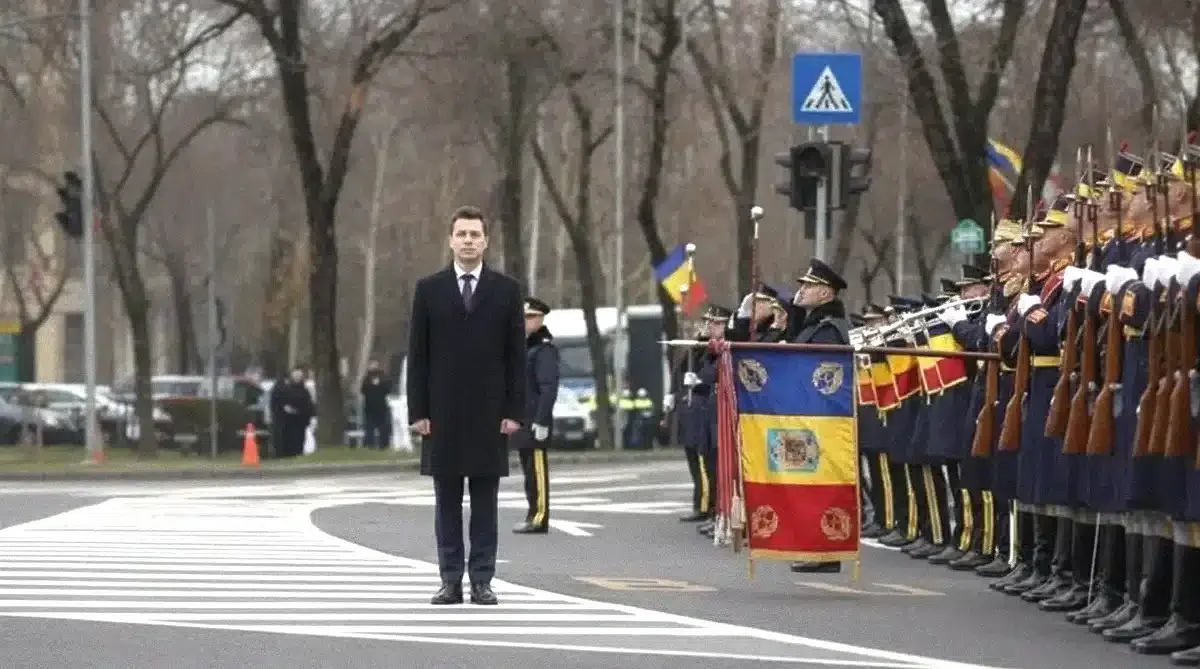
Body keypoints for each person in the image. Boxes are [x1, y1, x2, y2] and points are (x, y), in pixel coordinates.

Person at [406, 205, 525, 606]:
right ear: (451, 240)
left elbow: (515, 356)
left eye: (475, 234)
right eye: (462, 234)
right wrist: (418, 412)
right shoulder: (429, 289)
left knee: (486, 503)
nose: (469, 240)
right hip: (442, 414)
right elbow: (418, 356)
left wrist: (514, 410)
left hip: (490, 414)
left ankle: (482, 580)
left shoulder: (507, 291)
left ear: (486, 241)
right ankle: (450, 579)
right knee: (447, 503)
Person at [784, 258, 852, 574]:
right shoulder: (815, 324)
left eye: (808, 286)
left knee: (820, 487)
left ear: (825, 294)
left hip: (821, 419)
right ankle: (816, 547)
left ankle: (825, 550)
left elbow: (822, 375)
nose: (802, 290)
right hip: (809, 417)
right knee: (808, 484)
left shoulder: (828, 331)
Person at [511, 297, 560, 535]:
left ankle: (540, 516)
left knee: (537, 471)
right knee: (529, 472)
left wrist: (542, 420)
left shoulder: (544, 349)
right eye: (524, 318)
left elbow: (548, 388)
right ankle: (532, 513)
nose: (526, 322)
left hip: (535, 419)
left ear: (540, 319)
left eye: (531, 318)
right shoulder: (526, 348)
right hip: (523, 418)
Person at [269, 366, 315, 458]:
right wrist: (284, 408)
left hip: (298, 424)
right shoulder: (282, 388)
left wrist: (303, 415)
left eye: (300, 375)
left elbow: (308, 406)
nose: (298, 377)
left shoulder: (304, 391)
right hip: (284, 423)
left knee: (297, 444)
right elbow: (276, 403)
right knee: (283, 444)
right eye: (296, 375)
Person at [359, 359, 394, 449]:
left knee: (383, 427)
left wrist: (379, 385)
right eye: (371, 365)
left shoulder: (383, 376)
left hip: (381, 406)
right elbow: (363, 390)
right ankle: (370, 444)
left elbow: (388, 388)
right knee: (369, 427)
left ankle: (383, 444)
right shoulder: (367, 378)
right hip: (369, 406)